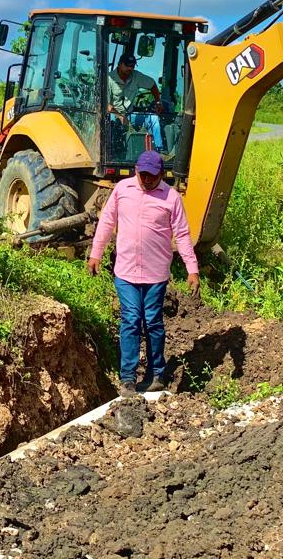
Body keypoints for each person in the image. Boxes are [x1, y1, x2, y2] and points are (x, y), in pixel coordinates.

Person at [87, 151, 200, 395]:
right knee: (130, 319)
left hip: (155, 274)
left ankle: (155, 374)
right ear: (136, 170)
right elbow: (107, 221)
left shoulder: (171, 197)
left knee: (153, 322)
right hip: (126, 271)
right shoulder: (123, 189)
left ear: (161, 174)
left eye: (152, 176)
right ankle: (128, 378)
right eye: (143, 174)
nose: (147, 180)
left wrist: (192, 269)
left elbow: (182, 234)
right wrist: (96, 253)